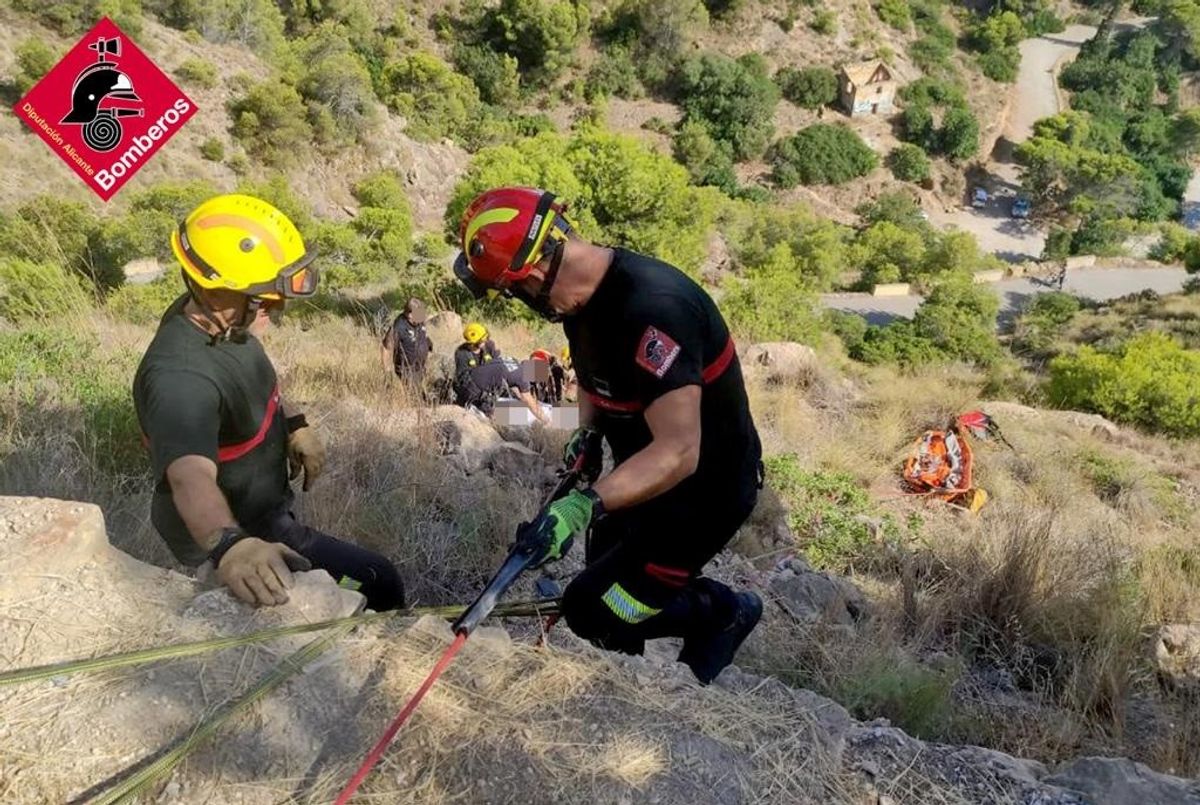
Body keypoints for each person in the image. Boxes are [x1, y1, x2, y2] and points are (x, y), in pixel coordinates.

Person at [454, 186, 764, 684]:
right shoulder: (578, 301)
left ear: (531, 273)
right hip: (643, 479)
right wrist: (588, 435)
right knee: (604, 576)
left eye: (513, 291)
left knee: (595, 608)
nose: (522, 302)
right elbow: (596, 374)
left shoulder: (654, 311)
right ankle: (628, 675)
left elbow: (680, 450)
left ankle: (722, 612)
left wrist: (582, 506)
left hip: (702, 495)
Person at [132, 193, 404, 612]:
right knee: (379, 583)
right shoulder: (179, 377)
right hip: (242, 528)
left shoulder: (221, 320)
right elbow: (189, 477)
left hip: (264, 508)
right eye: (264, 298)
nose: (276, 309)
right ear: (218, 289)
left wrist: (293, 422)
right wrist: (229, 546)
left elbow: (256, 379)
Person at [381, 297, 433, 390]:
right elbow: (386, 348)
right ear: (409, 314)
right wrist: (388, 372)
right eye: (419, 314)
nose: (422, 316)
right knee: (414, 398)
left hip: (420, 369)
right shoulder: (399, 327)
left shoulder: (419, 321)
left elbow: (423, 334)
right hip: (406, 372)